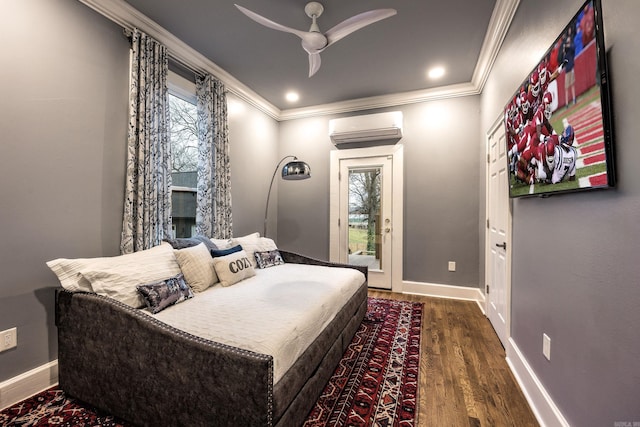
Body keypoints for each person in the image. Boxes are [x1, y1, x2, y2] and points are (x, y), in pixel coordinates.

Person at [561, 25, 577, 106]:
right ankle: (567, 103)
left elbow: (572, 47)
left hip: (571, 68)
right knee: (566, 87)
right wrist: (564, 49)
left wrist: (566, 45)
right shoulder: (566, 52)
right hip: (567, 69)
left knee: (572, 84)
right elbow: (563, 59)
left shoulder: (571, 47)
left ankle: (574, 99)